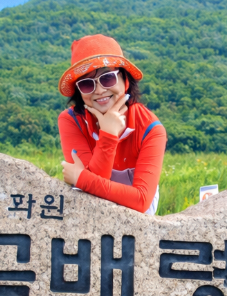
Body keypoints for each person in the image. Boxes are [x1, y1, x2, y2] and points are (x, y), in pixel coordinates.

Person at [57, 34, 166, 215]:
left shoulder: (150, 129)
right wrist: (108, 134)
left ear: (125, 79)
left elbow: (141, 201)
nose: (100, 90)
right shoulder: (71, 120)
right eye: (86, 84)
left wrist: (81, 178)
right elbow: (89, 197)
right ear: (79, 91)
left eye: (107, 78)